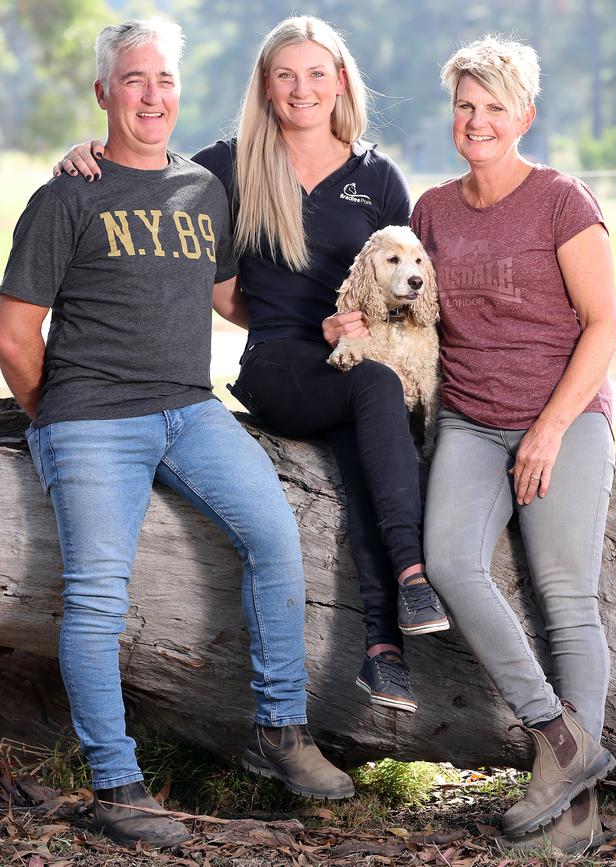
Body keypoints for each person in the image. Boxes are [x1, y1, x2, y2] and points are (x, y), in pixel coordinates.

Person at [0, 18, 354, 849]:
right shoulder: (66, 196)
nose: (152, 95)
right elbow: (16, 333)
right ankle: (118, 783)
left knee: (274, 535)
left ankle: (278, 729)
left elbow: (228, 294)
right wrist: (57, 413)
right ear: (104, 94)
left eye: (164, 80)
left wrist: (331, 318)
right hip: (91, 416)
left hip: (190, 410)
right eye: (134, 80)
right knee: (96, 596)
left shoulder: (203, 189)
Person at [54, 15, 450, 716]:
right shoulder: (226, 166)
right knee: (375, 387)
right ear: (266, 87)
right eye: (286, 74)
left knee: (368, 431)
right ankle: (410, 579)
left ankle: (383, 652)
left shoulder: (378, 177)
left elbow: (407, 286)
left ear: (341, 82)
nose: (303, 89)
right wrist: (84, 152)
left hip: (356, 367)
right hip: (278, 366)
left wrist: (356, 327)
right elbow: (145, 169)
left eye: (317, 73)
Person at [410, 35, 616, 854]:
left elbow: (604, 327)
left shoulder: (563, 202)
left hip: (562, 413)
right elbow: (419, 312)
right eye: (466, 104)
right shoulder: (432, 210)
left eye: (495, 106)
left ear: (523, 115)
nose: (477, 120)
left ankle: (571, 818)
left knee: (566, 596)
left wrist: (551, 430)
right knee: (451, 561)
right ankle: (559, 739)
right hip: (469, 416)